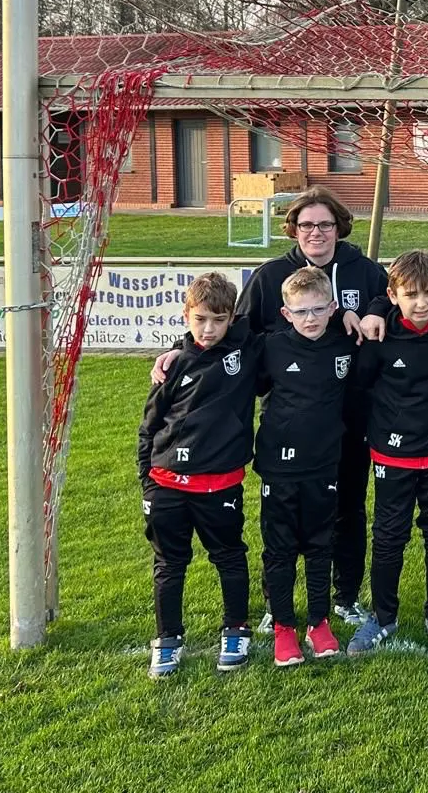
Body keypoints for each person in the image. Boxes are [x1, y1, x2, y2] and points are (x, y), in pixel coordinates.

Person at [151, 186, 387, 630]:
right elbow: (230, 328)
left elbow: (388, 299)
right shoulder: (270, 276)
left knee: (349, 508)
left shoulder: (364, 270)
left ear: (339, 227)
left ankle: (345, 596)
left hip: (350, 417)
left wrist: (370, 309)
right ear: (293, 229)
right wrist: (182, 350)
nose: (316, 232)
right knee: (283, 519)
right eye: (306, 225)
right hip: (289, 424)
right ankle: (276, 606)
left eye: (325, 224)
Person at [346, 251, 428, 655]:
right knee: (389, 536)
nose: (421, 303)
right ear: (393, 296)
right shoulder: (377, 334)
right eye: (411, 295)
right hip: (392, 452)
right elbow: (360, 387)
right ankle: (383, 617)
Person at [137, 272, 259, 678]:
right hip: (167, 484)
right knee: (169, 564)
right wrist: (147, 481)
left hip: (220, 485)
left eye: (219, 320)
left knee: (229, 556)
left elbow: (255, 323)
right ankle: (167, 639)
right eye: (200, 319)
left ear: (231, 319)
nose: (209, 329)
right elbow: (149, 426)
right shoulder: (173, 366)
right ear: (186, 315)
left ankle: (235, 630)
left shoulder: (246, 349)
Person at [254, 267, 353, 667]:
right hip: (278, 468)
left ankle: (318, 622)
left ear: (333, 307)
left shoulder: (346, 344)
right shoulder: (270, 348)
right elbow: (222, 345)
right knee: (279, 549)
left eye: (317, 309)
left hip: (324, 465)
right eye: (300, 311)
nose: (310, 318)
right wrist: (177, 350)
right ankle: (283, 626)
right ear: (285, 313)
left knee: (319, 545)